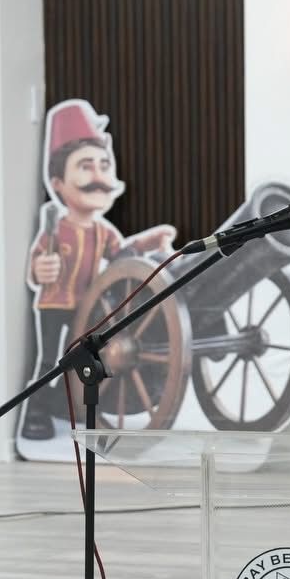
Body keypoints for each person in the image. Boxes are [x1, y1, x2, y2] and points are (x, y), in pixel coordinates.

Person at [20, 100, 175, 440]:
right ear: (58, 182)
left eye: (104, 165)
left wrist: (149, 241)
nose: (98, 177)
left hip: (87, 308)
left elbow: (122, 256)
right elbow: (38, 263)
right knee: (48, 360)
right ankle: (35, 413)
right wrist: (40, 269)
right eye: (85, 166)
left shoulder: (103, 232)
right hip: (54, 306)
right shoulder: (56, 228)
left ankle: (65, 404)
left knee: (82, 360)